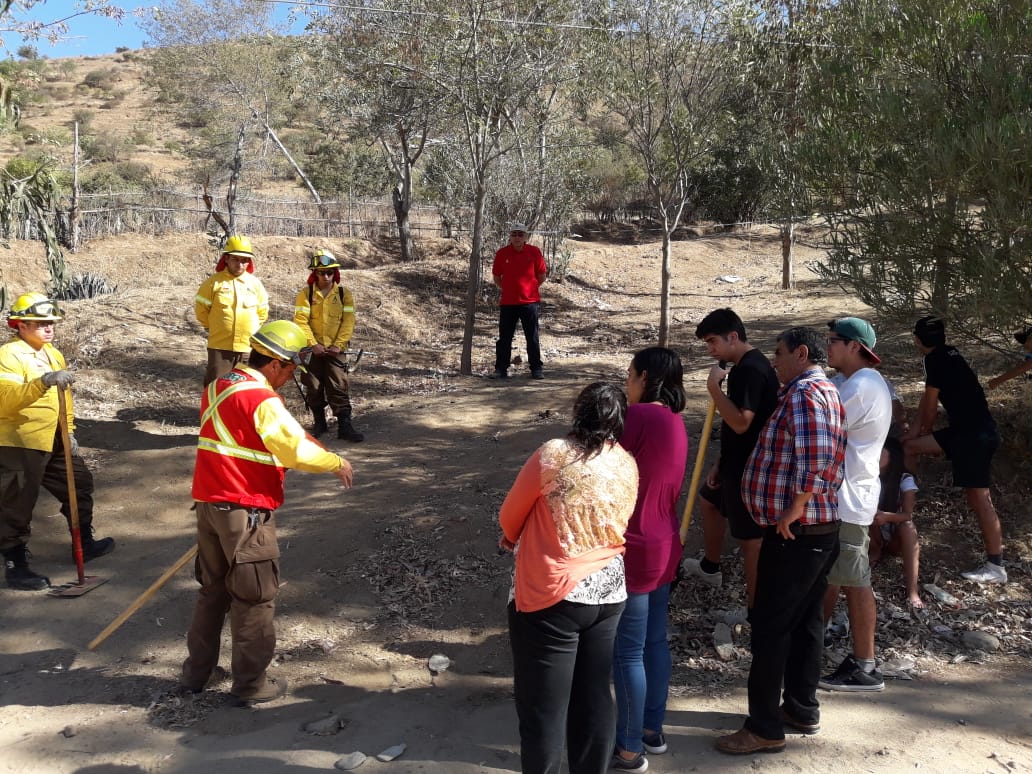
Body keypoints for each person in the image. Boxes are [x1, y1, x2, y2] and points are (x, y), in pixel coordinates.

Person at [180, 320, 354, 705]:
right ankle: (251, 686)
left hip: (210, 506)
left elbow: (278, 433)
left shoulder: (220, 387)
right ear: (275, 363)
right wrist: (334, 462)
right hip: (245, 511)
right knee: (254, 598)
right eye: (292, 368)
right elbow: (293, 449)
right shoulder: (261, 399)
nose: (291, 376)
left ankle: (197, 674)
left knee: (212, 592)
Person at [716, 327, 845, 756]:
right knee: (806, 621)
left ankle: (765, 727)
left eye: (780, 353)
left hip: (796, 531)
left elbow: (817, 454)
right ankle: (801, 707)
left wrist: (795, 507)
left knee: (770, 627)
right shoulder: (814, 391)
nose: (774, 361)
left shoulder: (808, 394)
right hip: (810, 530)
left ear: (802, 353)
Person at [499, 382, 639, 774]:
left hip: (552, 593)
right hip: (609, 591)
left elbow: (510, 515)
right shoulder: (625, 461)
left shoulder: (554, 455)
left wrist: (511, 538)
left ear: (579, 412)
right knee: (594, 698)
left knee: (543, 709)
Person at [0, 293, 116, 590]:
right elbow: (5, 400)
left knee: (79, 485)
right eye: (41, 323)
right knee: (17, 501)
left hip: (55, 437)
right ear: (21, 325)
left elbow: (64, 397)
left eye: (51, 322)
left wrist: (71, 430)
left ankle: (84, 543)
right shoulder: (9, 355)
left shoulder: (53, 353)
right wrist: (42, 382)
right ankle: (15, 566)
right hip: (20, 440)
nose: (49, 328)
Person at [612, 348, 689, 772]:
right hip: (664, 540)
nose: (627, 384)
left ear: (644, 376)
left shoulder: (638, 418)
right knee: (654, 642)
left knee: (627, 652)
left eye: (629, 375)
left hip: (634, 544)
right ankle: (650, 728)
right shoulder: (676, 422)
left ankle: (628, 747)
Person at [683, 308, 779, 611]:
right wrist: (720, 461)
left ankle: (756, 611)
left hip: (750, 468)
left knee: (751, 541)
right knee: (709, 501)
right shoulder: (744, 367)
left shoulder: (750, 369)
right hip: (734, 461)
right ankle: (711, 567)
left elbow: (741, 422)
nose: (711, 350)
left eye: (713, 342)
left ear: (733, 337)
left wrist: (713, 389)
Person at [902, 316, 1005, 584]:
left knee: (980, 499)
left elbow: (931, 405)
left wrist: (924, 426)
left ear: (916, 340)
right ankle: (905, 516)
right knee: (910, 448)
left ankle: (996, 567)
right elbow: (927, 398)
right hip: (966, 432)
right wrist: (914, 433)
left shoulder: (933, 359)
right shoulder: (950, 353)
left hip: (973, 437)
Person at [819, 318, 892, 693]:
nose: (828, 347)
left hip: (849, 500)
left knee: (856, 582)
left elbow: (820, 421)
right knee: (834, 579)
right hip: (842, 498)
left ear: (853, 347)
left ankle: (866, 667)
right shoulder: (849, 383)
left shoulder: (862, 386)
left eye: (833, 341)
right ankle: (813, 648)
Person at [293, 248, 364, 442]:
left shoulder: (344, 295)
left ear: (335, 272)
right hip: (312, 350)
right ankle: (319, 424)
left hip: (335, 351)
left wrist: (339, 345)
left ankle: (345, 426)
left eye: (329, 272)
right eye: (321, 272)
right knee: (313, 386)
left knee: (338, 385)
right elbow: (301, 321)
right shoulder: (305, 294)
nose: (325, 276)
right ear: (314, 273)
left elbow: (348, 321)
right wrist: (313, 344)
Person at [194, 235, 269, 387]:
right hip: (220, 348)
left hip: (247, 348)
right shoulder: (213, 283)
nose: (240, 264)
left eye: (244, 260)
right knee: (216, 387)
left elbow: (262, 313)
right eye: (236, 259)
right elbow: (201, 311)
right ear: (226, 259)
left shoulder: (255, 284)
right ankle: (212, 412)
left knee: (245, 388)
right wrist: (217, 327)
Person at [869, 437, 922, 608]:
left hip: (892, 534)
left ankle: (912, 591)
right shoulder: (866, 475)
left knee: (909, 528)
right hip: (871, 532)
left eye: (881, 452)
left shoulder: (904, 479)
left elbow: (907, 515)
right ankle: (874, 552)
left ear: (892, 456)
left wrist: (886, 516)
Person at [491, 223, 547, 380]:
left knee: (532, 337)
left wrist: (530, 289)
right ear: (510, 236)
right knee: (505, 338)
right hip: (508, 303)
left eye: (520, 234)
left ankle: (536, 368)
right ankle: (501, 369)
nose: (517, 237)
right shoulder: (502, 253)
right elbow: (497, 277)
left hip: (529, 303)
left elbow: (541, 275)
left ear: (526, 237)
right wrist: (508, 289)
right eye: (514, 234)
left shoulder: (534, 252)